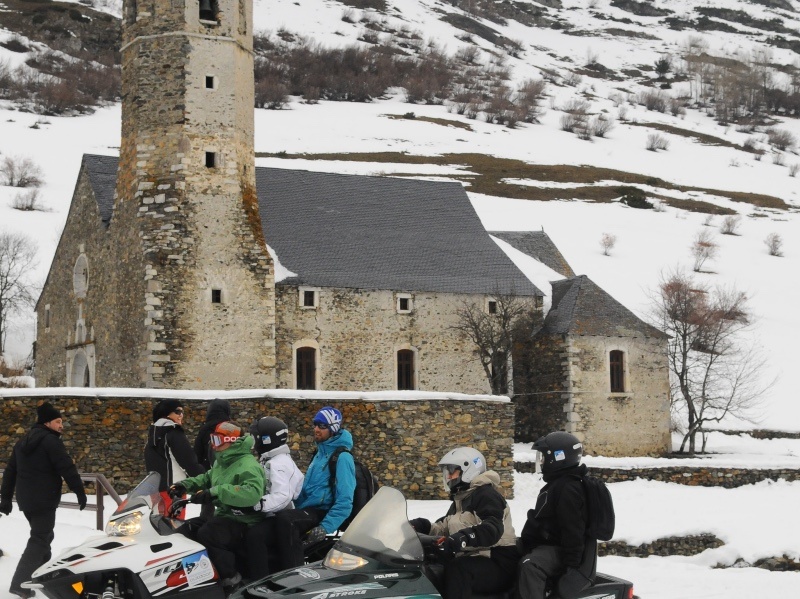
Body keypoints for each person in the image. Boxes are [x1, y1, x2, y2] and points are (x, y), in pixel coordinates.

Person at [0, 402, 88, 599]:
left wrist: (5, 498)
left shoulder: (22, 442)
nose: (61, 426)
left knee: (44, 536)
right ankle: (20, 584)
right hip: (44, 499)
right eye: (58, 421)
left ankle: (43, 576)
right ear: (47, 423)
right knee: (40, 539)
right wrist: (79, 491)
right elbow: (66, 467)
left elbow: (10, 472)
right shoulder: (51, 441)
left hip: (27, 501)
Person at [409, 447, 518, 599]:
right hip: (475, 556)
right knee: (431, 562)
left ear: (468, 470)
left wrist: (463, 538)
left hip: (498, 560)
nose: (448, 476)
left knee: (458, 569)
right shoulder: (461, 498)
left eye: (451, 471)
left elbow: (492, 528)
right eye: (446, 472)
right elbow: (443, 527)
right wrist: (421, 526)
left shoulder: (487, 495)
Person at [169, 421, 265, 593]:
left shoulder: (248, 465)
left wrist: (217, 492)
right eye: (212, 439)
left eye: (218, 440)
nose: (213, 445)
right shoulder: (222, 462)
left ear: (232, 441)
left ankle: (232, 580)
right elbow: (206, 479)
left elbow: (252, 493)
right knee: (186, 530)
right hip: (224, 516)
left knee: (209, 534)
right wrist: (184, 485)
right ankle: (194, 579)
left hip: (244, 519)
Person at [271, 406, 356, 570]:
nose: (316, 429)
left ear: (333, 429)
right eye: (315, 424)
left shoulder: (343, 458)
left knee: (286, 521)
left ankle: (293, 574)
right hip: (307, 509)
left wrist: (325, 528)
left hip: (322, 512)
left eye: (322, 426)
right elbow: (305, 491)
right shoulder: (319, 454)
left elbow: (345, 501)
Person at [515, 431, 589, 599]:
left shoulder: (569, 489)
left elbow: (573, 530)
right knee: (505, 550)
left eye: (544, 457)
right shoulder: (558, 484)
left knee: (530, 567)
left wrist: (571, 568)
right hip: (545, 545)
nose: (541, 462)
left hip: (560, 550)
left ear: (558, 458)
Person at [243, 417, 304, 579]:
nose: (253, 442)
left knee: (255, 536)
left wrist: (258, 505)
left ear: (266, 440)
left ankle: (261, 579)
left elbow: (283, 496)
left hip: (278, 516)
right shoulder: (269, 460)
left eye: (255, 438)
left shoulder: (279, 464)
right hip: (271, 514)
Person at [144, 399, 205, 517]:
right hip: (174, 489)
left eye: (182, 412)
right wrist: (203, 480)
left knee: (158, 523)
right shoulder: (173, 433)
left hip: (155, 490)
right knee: (175, 524)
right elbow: (189, 461)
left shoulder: (153, 435)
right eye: (177, 411)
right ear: (166, 413)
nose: (181, 415)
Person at [193, 398, 232, 519]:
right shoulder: (231, 429)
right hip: (229, 473)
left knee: (207, 504)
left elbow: (197, 454)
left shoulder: (205, 430)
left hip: (209, 472)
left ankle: (205, 522)